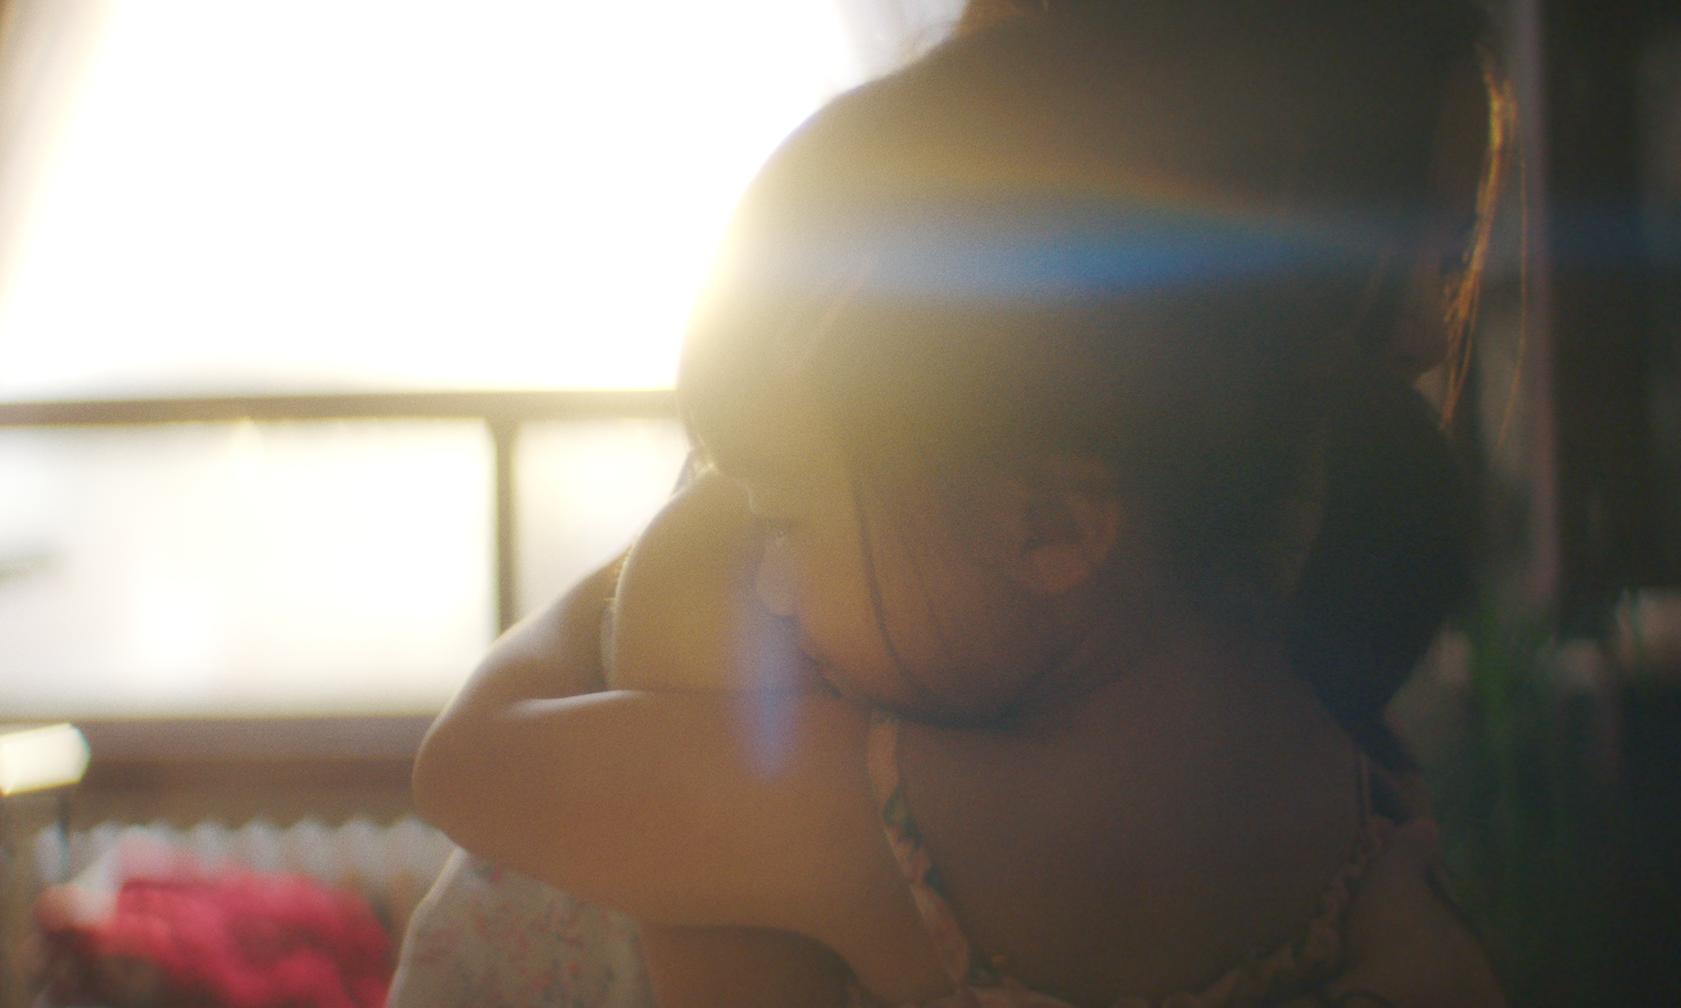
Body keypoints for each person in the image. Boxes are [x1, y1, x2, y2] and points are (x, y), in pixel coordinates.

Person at [411, 1, 1511, 1005]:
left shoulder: (882, 821)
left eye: (1457, 256)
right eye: (1403, 245)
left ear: (1050, 524)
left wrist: (603, 594)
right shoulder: (1327, 774)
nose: (1433, 328)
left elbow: (468, 767)